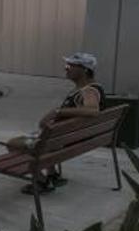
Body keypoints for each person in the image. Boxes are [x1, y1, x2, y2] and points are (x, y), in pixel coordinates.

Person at [7, 52, 105, 194]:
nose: (66, 68)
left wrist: (58, 111)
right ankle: (52, 174)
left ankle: (41, 181)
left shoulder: (88, 91)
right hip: (69, 138)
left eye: (70, 65)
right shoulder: (91, 87)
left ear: (84, 70)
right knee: (48, 137)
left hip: (62, 140)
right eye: (67, 65)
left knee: (13, 144)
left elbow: (93, 110)